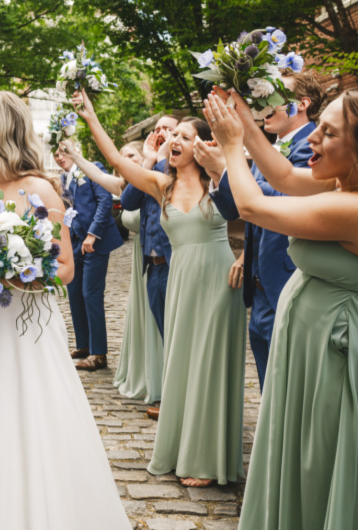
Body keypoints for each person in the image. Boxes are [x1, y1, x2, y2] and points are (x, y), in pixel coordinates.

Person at [0, 91, 130, 529]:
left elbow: (64, 267)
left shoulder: (37, 188)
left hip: (26, 330)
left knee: (30, 415)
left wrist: (9, 274)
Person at [74, 87, 246, 487]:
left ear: (202, 147)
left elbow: (253, 212)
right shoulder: (160, 185)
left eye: (185, 137)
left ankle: (207, 460)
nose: (174, 141)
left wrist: (243, 257)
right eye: (173, 136)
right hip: (181, 280)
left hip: (218, 282)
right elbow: (116, 161)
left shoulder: (221, 177)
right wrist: (91, 118)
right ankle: (180, 448)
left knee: (209, 366)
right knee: (181, 364)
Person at [205, 89, 358, 530]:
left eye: (328, 133)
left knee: (319, 458)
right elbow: (287, 176)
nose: (314, 138)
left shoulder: (351, 206)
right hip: (310, 347)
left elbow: (254, 207)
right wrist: (245, 123)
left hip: (334, 355)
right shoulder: (339, 181)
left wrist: (232, 147)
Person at [194, 72, 325, 391]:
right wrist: (216, 173)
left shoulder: (315, 145)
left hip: (288, 277)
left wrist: (229, 168)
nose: (261, 104)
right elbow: (236, 209)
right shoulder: (269, 149)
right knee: (270, 380)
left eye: (271, 96)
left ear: (301, 104)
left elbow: (286, 200)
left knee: (290, 382)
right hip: (259, 279)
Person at [53, 139, 123, 370]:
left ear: (75, 151)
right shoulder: (63, 179)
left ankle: (99, 354)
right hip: (75, 242)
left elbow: (104, 202)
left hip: (95, 242)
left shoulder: (93, 169)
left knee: (90, 294)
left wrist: (92, 234)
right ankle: (83, 344)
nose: (60, 156)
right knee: (74, 292)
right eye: (56, 154)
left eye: (64, 151)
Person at [110, 142, 164, 404]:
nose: (127, 159)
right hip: (143, 259)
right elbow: (126, 200)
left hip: (160, 255)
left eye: (132, 154)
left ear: (143, 156)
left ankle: (163, 383)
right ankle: (148, 374)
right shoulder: (127, 186)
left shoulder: (154, 175)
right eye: (122, 158)